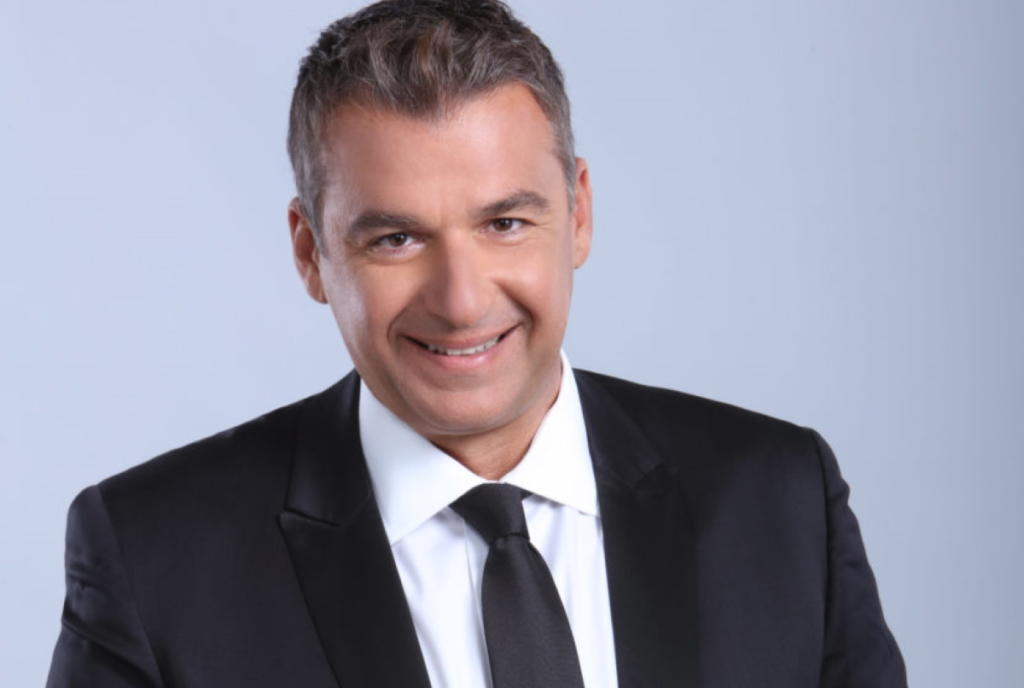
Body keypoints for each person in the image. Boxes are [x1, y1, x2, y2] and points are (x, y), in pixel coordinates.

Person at [46, 1, 907, 686]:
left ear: (578, 213)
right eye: (396, 239)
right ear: (310, 252)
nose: (461, 303)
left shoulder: (780, 500)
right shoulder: (154, 559)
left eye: (505, 223)